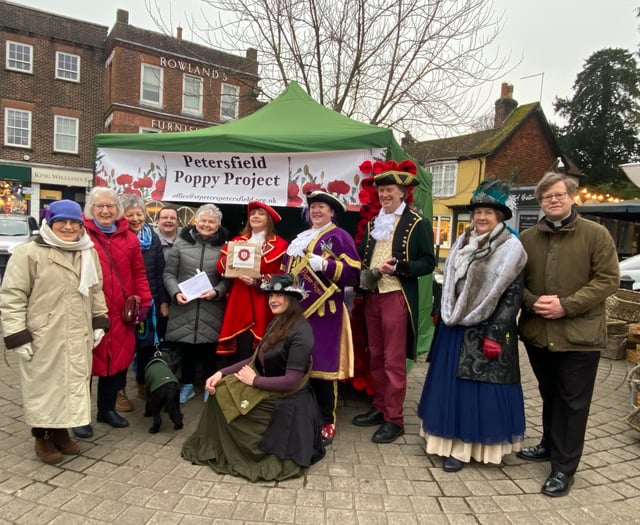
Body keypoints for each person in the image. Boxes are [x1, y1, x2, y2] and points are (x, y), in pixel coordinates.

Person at [517, 172, 619, 497]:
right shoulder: (527, 238)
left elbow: (607, 280)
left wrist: (567, 305)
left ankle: (564, 468)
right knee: (549, 395)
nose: (553, 200)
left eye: (559, 195)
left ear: (571, 196)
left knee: (573, 404)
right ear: (540, 201)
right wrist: (532, 302)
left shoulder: (596, 234)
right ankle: (549, 444)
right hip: (538, 333)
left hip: (580, 335)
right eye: (547, 197)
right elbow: (515, 282)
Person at [417, 178, 528, 472]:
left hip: (485, 332)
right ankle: (445, 441)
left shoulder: (511, 249)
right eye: (477, 212)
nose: (481, 217)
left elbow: (511, 297)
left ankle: (466, 449)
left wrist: (495, 334)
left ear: (500, 217)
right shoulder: (462, 242)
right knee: (449, 389)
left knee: (475, 394)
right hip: (455, 329)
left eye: (488, 213)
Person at [181, 273, 325, 481]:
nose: (272, 300)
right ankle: (217, 444)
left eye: (278, 295)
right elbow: (254, 359)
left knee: (224, 398)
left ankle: (240, 449)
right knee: (219, 389)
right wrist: (220, 373)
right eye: (270, 295)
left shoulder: (302, 332)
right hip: (268, 387)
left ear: (292, 299)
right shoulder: (277, 323)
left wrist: (254, 381)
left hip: (286, 399)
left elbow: (292, 381)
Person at [0, 200, 110, 463]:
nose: (68, 227)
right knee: (45, 386)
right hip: (44, 334)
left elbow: (96, 289)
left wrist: (99, 320)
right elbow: (13, 296)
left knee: (71, 383)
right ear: (49, 223)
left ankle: (60, 431)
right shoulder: (29, 253)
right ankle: (42, 436)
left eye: (74, 222)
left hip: (78, 331)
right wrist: (17, 335)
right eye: (62, 221)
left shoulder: (87, 251)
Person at [352, 160, 435, 443]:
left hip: (397, 296)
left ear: (402, 192)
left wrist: (399, 267)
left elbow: (428, 263)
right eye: (381, 191)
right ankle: (379, 407)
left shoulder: (417, 222)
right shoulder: (376, 222)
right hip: (373, 296)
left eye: (390, 190)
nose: (384, 195)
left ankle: (394, 419)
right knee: (375, 355)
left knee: (393, 360)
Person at [282, 190, 361, 445]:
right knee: (298, 363)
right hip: (298, 312)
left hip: (326, 313)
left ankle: (327, 421)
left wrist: (326, 266)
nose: (316, 211)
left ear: (332, 212)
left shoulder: (339, 236)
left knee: (322, 368)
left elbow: (354, 272)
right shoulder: (301, 237)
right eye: (313, 207)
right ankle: (303, 415)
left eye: (322, 207)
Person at [74, 188, 152, 438]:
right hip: (87, 310)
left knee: (115, 362)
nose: (105, 211)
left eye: (110, 206)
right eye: (100, 207)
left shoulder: (129, 238)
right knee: (83, 365)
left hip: (121, 310)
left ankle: (106, 409)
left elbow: (139, 272)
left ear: (117, 209)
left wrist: (145, 301)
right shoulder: (80, 234)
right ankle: (79, 415)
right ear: (91, 210)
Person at [163, 203, 230, 404]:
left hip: (211, 306)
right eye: (203, 220)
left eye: (211, 222)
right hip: (185, 305)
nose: (207, 225)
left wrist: (216, 292)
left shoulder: (225, 247)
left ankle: (210, 386)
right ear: (196, 221)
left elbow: (229, 278)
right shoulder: (181, 244)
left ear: (218, 225)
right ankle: (187, 385)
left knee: (209, 350)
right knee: (187, 350)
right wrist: (175, 293)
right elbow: (168, 274)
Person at [216, 201, 288, 364]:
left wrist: (258, 282)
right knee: (241, 345)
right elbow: (220, 268)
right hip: (239, 299)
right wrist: (232, 255)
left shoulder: (280, 245)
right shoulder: (237, 241)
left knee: (263, 345)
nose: (255, 216)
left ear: (269, 220)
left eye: (261, 214)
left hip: (263, 301)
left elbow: (283, 276)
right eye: (253, 214)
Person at [121, 194, 170, 401]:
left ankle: (143, 383)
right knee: (122, 350)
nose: (135, 219)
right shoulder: (117, 237)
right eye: (129, 214)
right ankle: (119, 391)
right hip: (122, 304)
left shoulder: (153, 237)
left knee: (146, 347)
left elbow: (160, 272)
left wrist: (163, 301)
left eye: (139, 214)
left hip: (148, 304)